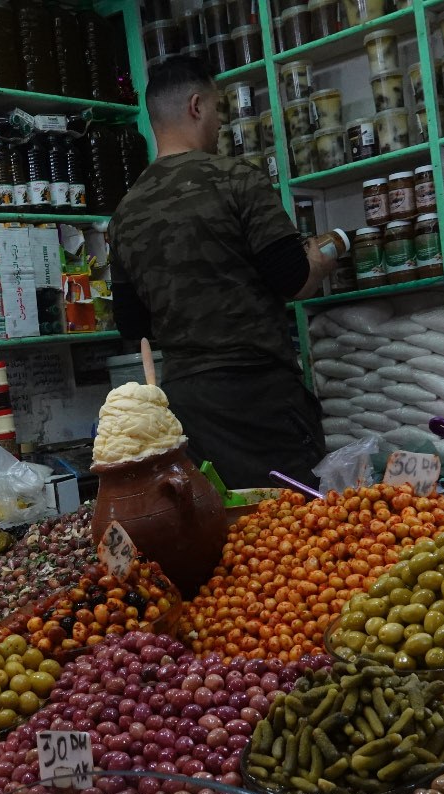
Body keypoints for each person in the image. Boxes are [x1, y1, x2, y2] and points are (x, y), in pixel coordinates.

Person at [108, 55, 339, 489]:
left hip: (188, 409)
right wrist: (323, 260)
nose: (220, 123)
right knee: (293, 520)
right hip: (260, 397)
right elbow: (292, 279)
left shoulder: (125, 212)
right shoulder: (237, 179)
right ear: (196, 106)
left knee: (220, 521)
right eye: (217, 109)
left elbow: (132, 325)